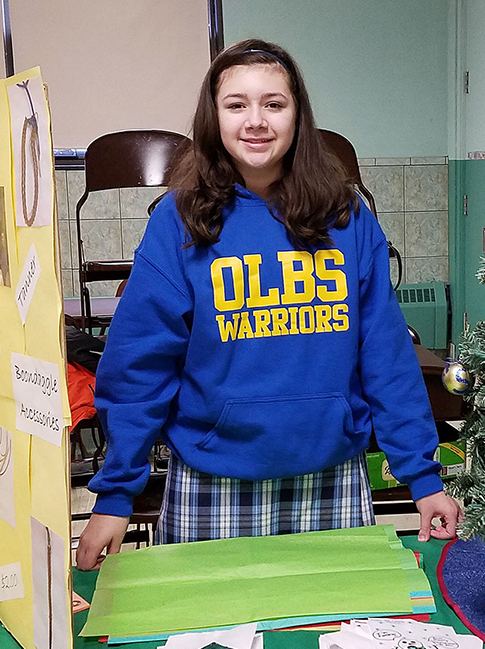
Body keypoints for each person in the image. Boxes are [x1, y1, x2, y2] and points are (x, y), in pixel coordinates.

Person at [75, 39, 462, 570]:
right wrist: (116, 494)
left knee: (329, 643)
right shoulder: (178, 220)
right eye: (236, 104)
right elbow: (139, 363)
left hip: (330, 478)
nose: (255, 120)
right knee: (202, 646)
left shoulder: (345, 217)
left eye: (273, 104)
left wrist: (422, 476)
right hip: (212, 478)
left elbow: (386, 357)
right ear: (214, 117)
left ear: (297, 114)